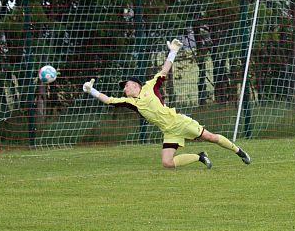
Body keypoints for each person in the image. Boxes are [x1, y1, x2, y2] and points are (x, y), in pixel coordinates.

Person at [82, 40, 252, 170]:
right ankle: (200, 157)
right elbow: (109, 100)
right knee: (167, 163)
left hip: (179, 122)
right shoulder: (130, 102)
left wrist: (173, 52)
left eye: (125, 86)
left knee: (211, 138)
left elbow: (164, 70)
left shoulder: (150, 86)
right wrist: (92, 90)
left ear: (135, 85)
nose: (124, 89)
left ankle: (239, 151)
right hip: (169, 132)